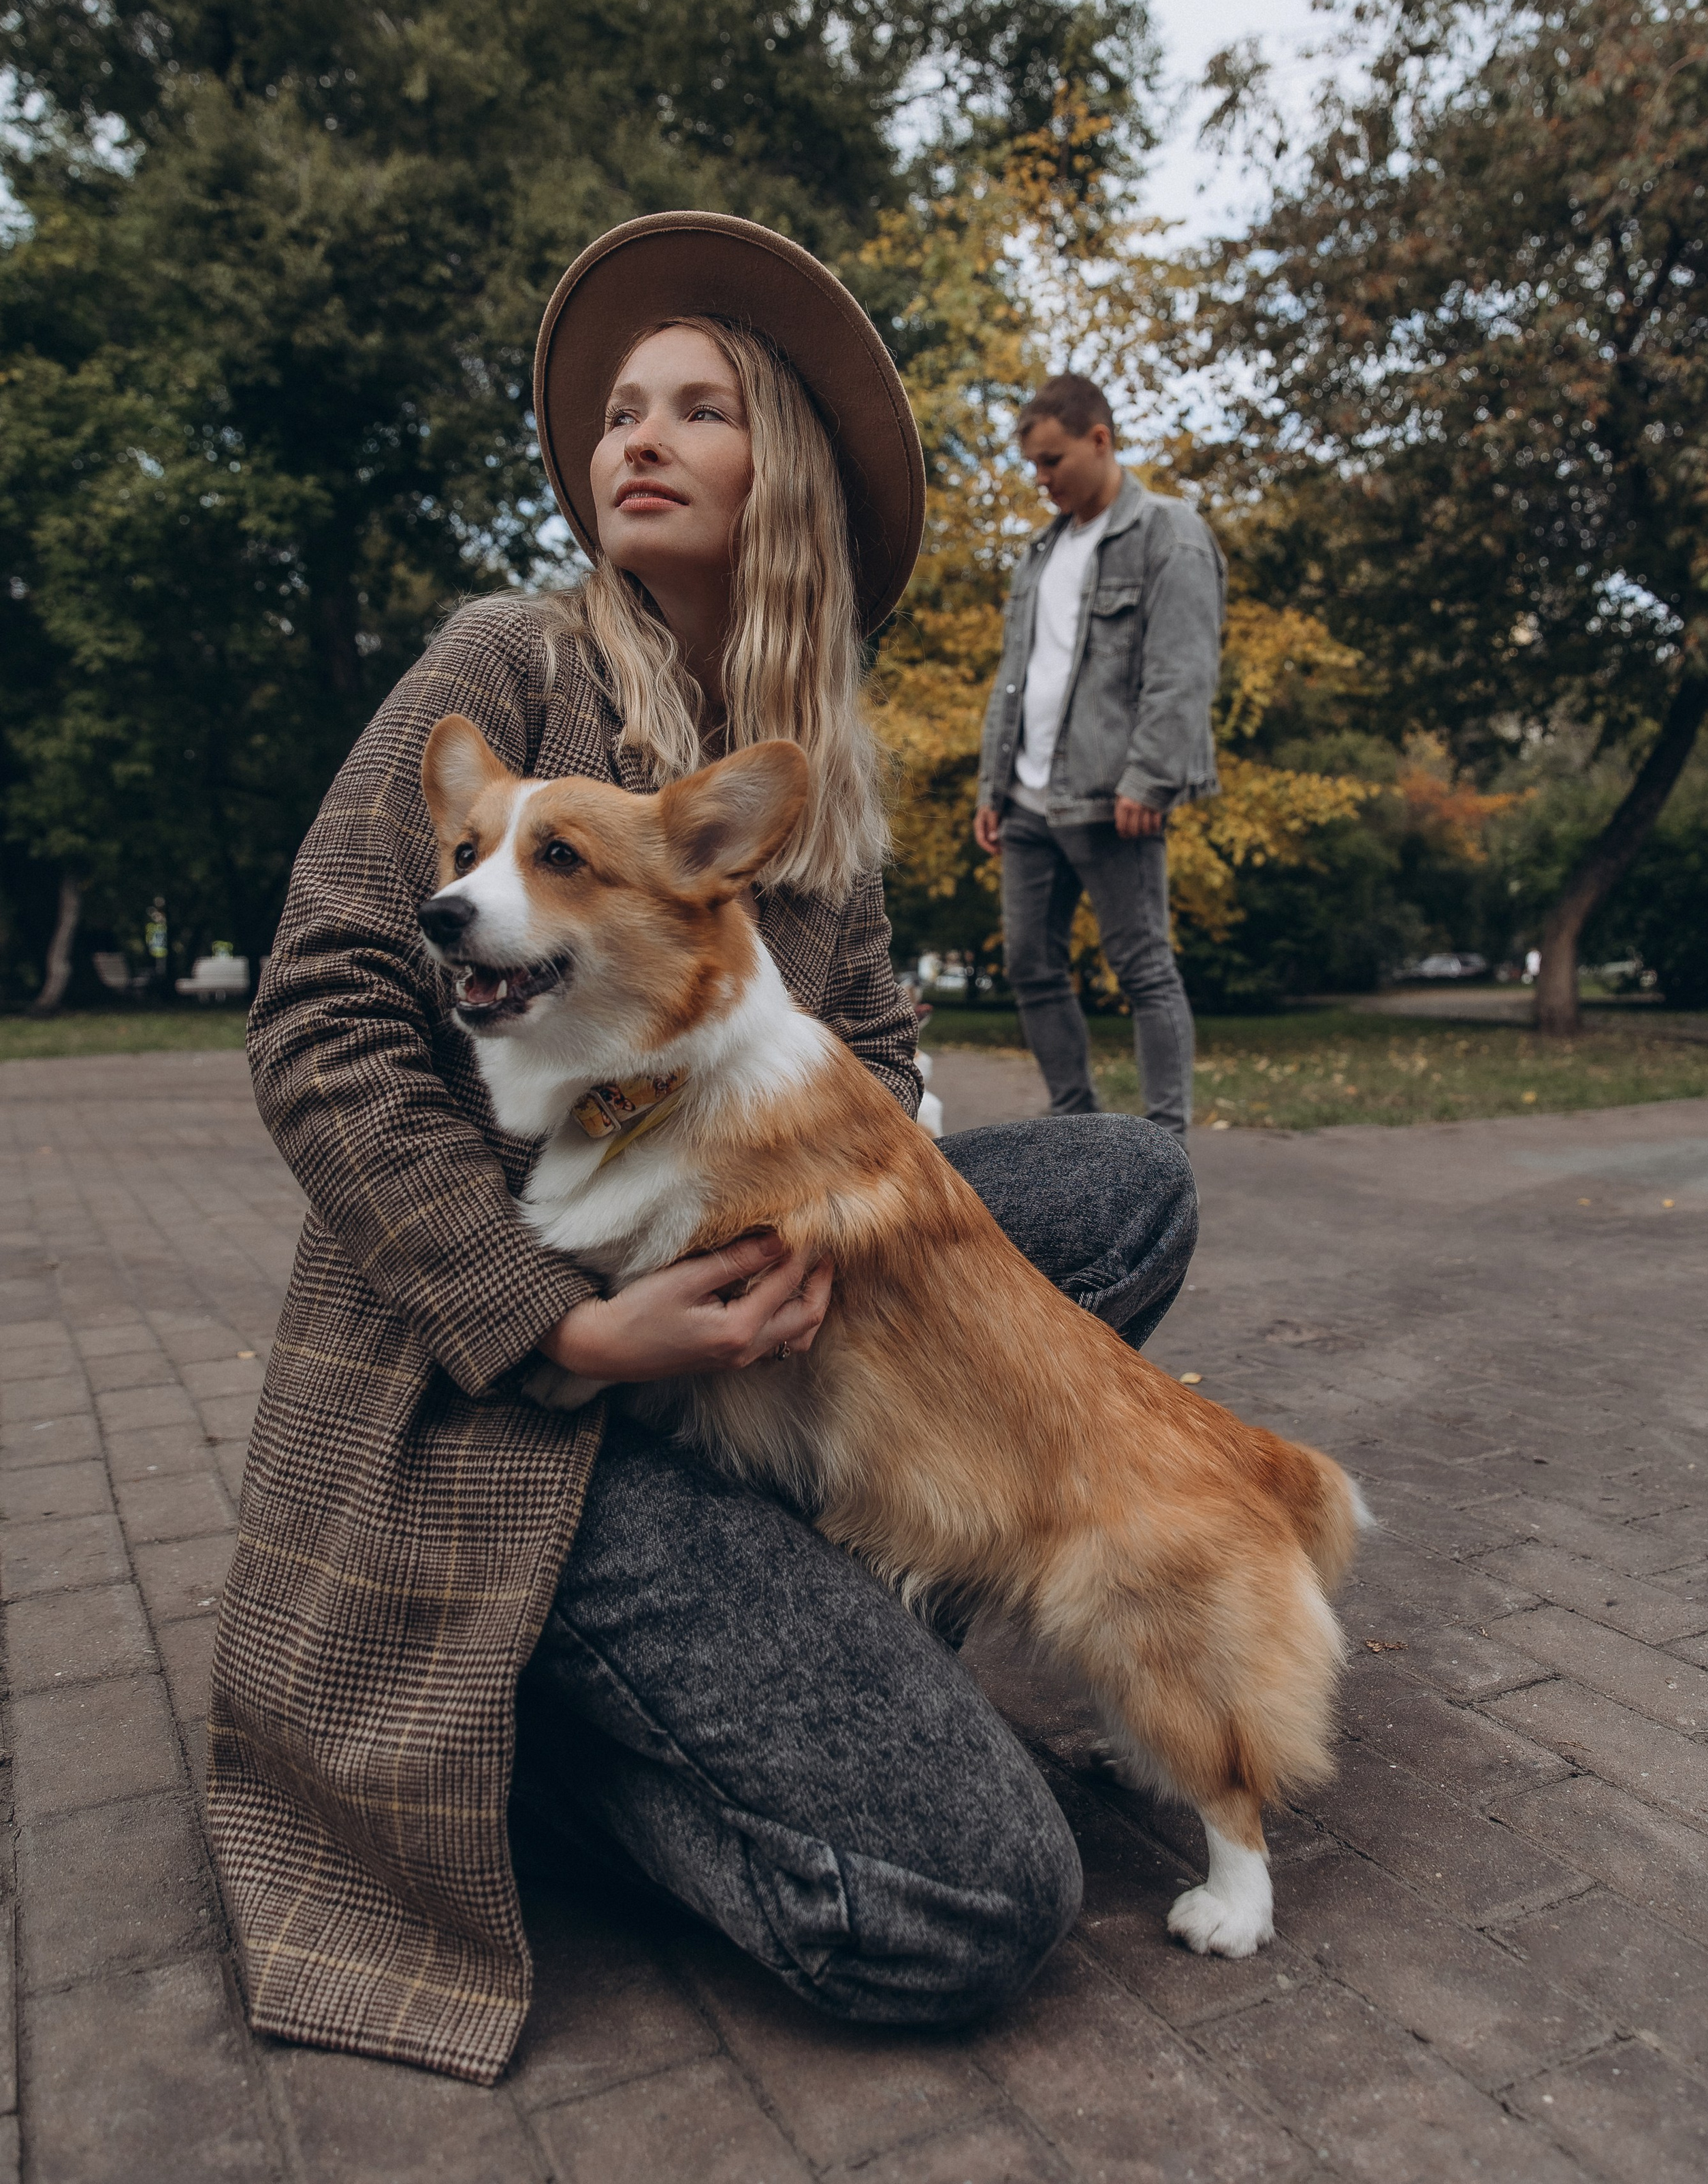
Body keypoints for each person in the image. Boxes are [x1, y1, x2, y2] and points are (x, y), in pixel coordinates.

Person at [210, 216, 1199, 2087]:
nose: (634, 439)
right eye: (618, 416)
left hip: (754, 1355)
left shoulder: (799, 777)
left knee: (1127, 1183)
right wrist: (566, 1328)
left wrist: (862, 1218)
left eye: (700, 410)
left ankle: (860, 1561)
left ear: (787, 484)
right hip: (521, 1405)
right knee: (981, 1904)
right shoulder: (507, 665)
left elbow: (888, 1064)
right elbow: (325, 1019)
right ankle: (556, 1766)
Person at [974, 375, 1225, 1141]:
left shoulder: (1168, 534)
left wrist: (1151, 777)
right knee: (1029, 965)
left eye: (1052, 461)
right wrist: (991, 784)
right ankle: (1076, 1128)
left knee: (1144, 968)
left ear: (1100, 440)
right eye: (1033, 467)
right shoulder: (1039, 554)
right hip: (1026, 801)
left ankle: (1165, 1145)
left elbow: (1183, 671)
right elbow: (1015, 674)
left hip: (1111, 798)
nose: (1042, 480)